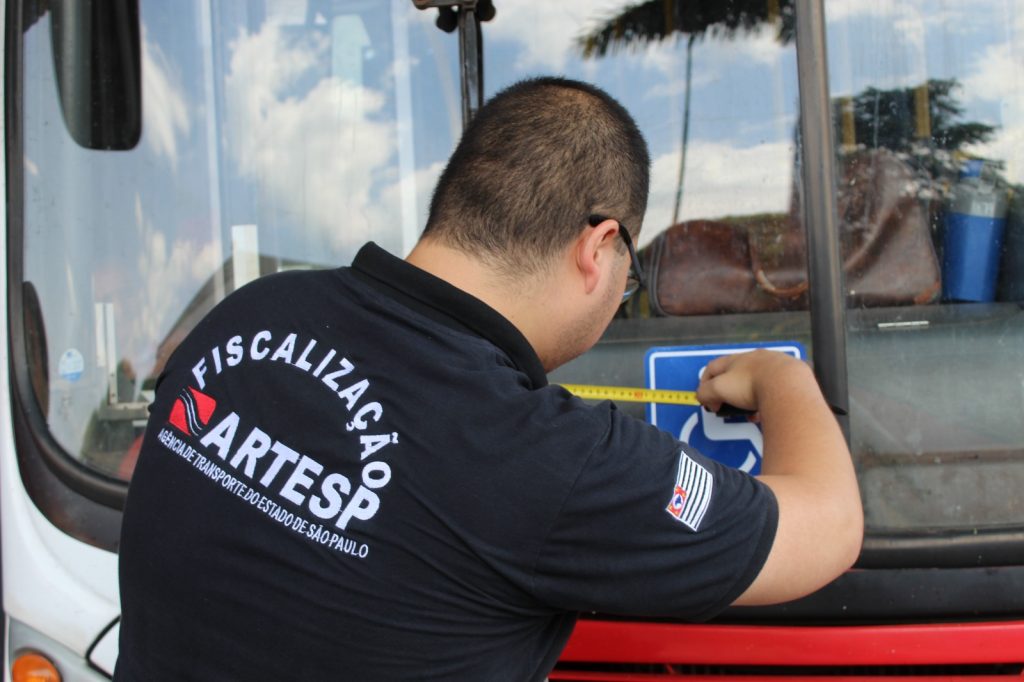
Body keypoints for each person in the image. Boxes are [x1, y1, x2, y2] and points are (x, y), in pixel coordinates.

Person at [115, 76, 862, 681]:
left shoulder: (246, 316)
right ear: (598, 248)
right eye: (628, 277)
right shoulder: (543, 456)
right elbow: (827, 529)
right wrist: (778, 380)